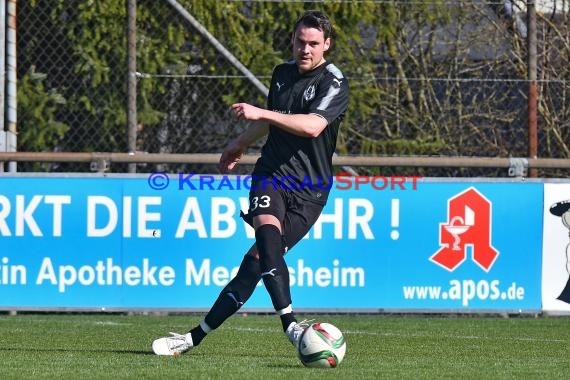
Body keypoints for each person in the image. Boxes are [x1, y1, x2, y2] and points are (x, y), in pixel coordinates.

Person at [152, 9, 349, 356]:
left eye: (314, 44)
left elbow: (312, 126)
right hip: (271, 175)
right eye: (300, 42)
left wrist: (262, 112)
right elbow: (272, 123)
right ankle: (290, 324)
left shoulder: (333, 81)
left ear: (326, 45)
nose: (306, 50)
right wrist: (240, 142)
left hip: (311, 190)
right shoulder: (282, 74)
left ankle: (192, 338)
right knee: (268, 236)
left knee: (256, 264)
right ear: (292, 41)